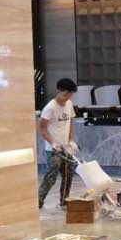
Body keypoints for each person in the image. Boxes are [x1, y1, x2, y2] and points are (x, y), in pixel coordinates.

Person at [38, 78, 79, 209]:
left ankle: (64, 201)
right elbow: (42, 128)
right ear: (59, 91)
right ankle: (38, 200)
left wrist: (71, 140)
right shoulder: (50, 107)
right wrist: (53, 143)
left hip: (66, 147)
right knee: (52, 176)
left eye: (70, 95)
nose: (67, 98)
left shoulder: (69, 104)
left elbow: (70, 122)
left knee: (68, 174)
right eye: (65, 94)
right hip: (53, 149)